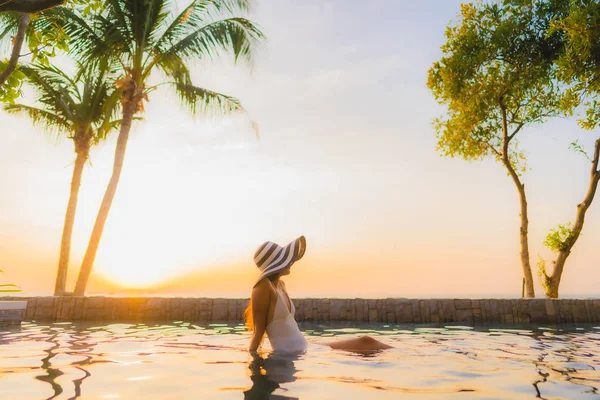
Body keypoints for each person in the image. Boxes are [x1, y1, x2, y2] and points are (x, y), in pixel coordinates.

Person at [245, 235, 392, 354]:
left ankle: (402, 356)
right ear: (276, 265)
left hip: (304, 348)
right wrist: (251, 358)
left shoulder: (280, 286)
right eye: (285, 259)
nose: (291, 262)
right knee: (366, 342)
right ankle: (403, 357)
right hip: (292, 354)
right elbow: (259, 332)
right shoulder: (262, 288)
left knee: (366, 345)